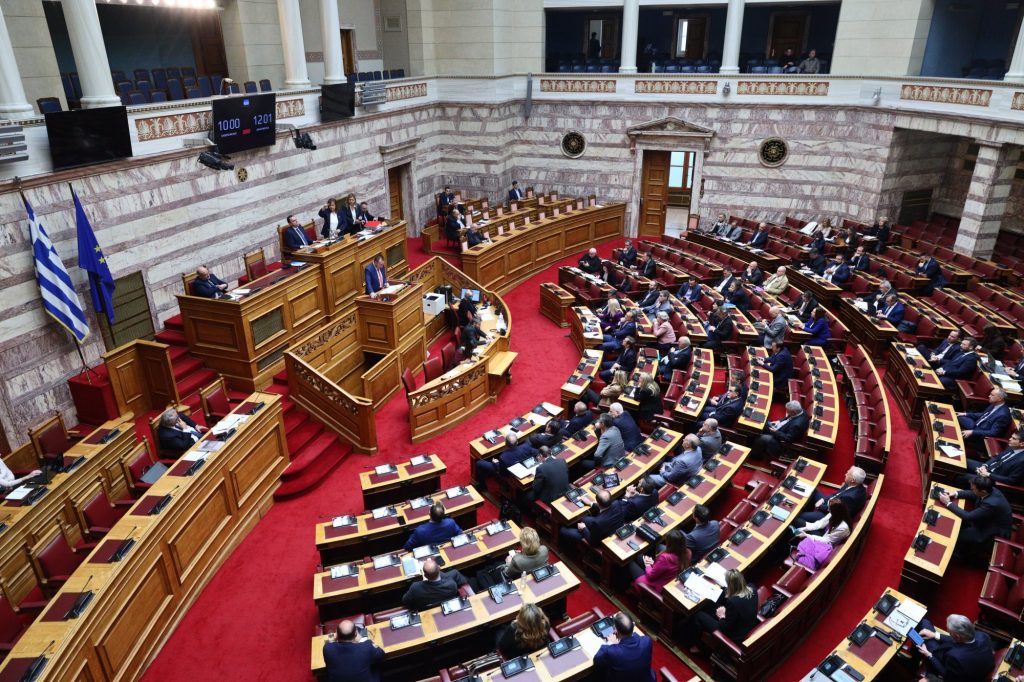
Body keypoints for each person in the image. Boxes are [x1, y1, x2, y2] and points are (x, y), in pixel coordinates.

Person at [683, 569, 758, 651]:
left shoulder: (733, 602)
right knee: (712, 605)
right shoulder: (752, 587)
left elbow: (724, 627)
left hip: (733, 635)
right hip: (745, 624)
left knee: (698, 615)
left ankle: (698, 645)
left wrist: (722, 616)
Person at [938, 476, 1012, 559]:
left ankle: (958, 555)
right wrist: (955, 493)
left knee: (954, 535)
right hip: (985, 520)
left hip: (990, 531)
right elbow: (973, 493)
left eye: (973, 489)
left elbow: (968, 516)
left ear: (983, 491)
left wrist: (948, 503)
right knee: (955, 522)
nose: (971, 490)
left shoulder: (991, 504)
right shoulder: (990, 489)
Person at [915, 614, 994, 682]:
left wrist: (928, 654)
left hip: (950, 670)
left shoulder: (955, 657)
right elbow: (958, 640)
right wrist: (935, 635)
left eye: (950, 632)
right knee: (925, 626)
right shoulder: (983, 636)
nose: (950, 634)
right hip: (970, 666)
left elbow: (946, 674)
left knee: (924, 623)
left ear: (957, 636)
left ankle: (913, 661)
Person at [593, 613, 655, 681]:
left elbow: (597, 660)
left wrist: (610, 643)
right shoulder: (647, 641)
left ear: (616, 630)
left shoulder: (612, 652)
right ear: (633, 624)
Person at [798, 466, 868, 525]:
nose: (845, 474)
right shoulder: (854, 484)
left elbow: (834, 512)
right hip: (832, 503)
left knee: (799, 516)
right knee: (813, 491)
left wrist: (819, 506)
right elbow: (836, 494)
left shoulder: (850, 498)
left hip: (831, 515)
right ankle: (807, 510)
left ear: (853, 480)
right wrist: (823, 499)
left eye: (848, 474)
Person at [558, 489, 625, 548]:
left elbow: (593, 542)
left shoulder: (598, 523)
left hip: (603, 540)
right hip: (611, 527)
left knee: (562, 529)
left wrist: (584, 529)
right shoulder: (617, 503)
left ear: (598, 503)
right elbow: (605, 508)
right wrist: (591, 503)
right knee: (585, 519)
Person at [631, 529, 689, 593]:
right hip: (664, 579)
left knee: (630, 562)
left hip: (652, 585)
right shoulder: (687, 553)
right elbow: (666, 568)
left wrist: (647, 565)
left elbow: (651, 576)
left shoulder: (665, 558)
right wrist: (653, 563)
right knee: (638, 556)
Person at [401, 558, 469, 611]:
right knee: (454, 572)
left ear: (424, 575)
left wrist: (425, 580)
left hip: (425, 609)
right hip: (449, 605)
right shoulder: (452, 584)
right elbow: (462, 582)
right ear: (439, 568)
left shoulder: (415, 587)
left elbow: (405, 601)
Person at [957, 387, 1011, 453]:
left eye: (992, 395)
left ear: (1000, 399)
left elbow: (993, 433)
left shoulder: (1003, 415)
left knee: (958, 435)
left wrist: (972, 432)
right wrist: (966, 414)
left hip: (981, 436)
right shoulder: (994, 404)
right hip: (976, 425)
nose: (989, 396)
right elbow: (983, 415)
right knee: (958, 416)